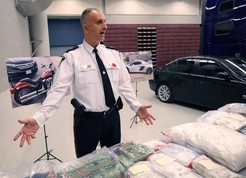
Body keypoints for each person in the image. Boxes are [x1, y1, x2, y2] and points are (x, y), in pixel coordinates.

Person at [13, 8, 155, 158]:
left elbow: (124, 85)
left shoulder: (113, 54)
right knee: (85, 166)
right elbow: (57, 91)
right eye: (99, 22)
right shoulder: (72, 57)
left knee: (113, 160)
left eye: (105, 22)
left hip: (113, 119)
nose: (105, 26)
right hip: (87, 123)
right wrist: (38, 119)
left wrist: (136, 106)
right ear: (86, 27)